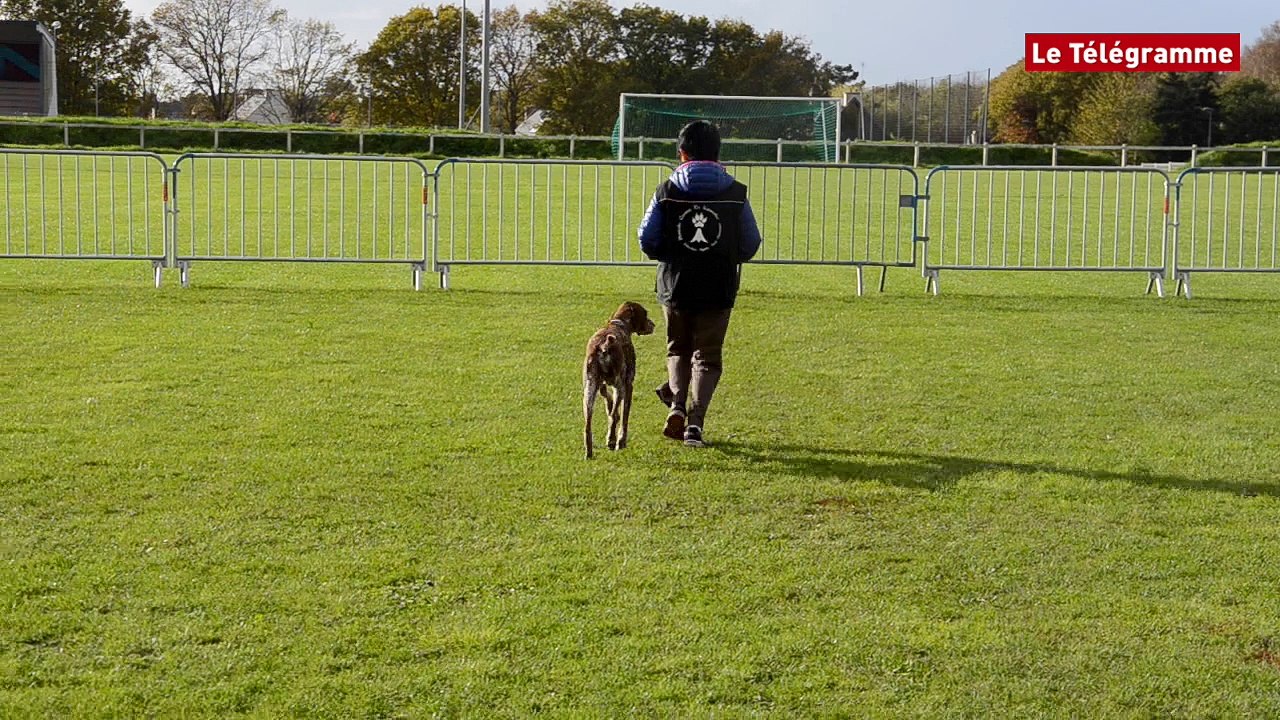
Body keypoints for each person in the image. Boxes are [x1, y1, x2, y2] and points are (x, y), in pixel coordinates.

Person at [637, 119, 762, 448]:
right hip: (719, 286)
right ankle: (695, 424)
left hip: (675, 285)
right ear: (719, 155)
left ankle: (676, 405)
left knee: (677, 348)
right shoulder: (737, 194)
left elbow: (647, 239)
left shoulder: (666, 192)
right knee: (707, 356)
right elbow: (751, 242)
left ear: (681, 154)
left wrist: (671, 254)